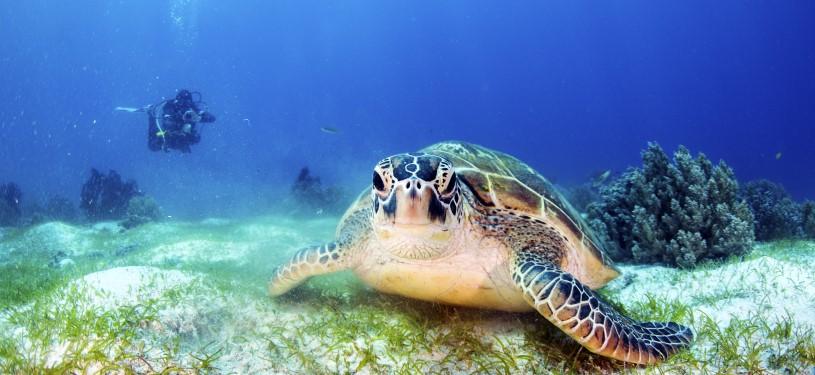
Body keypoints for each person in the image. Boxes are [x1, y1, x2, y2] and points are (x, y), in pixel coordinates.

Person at [118, 90, 216, 153]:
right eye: (182, 104)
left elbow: (212, 118)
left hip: (185, 138)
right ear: (177, 102)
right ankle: (150, 114)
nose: (184, 107)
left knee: (196, 139)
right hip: (168, 136)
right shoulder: (170, 107)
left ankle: (179, 142)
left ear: (190, 104)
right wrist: (171, 119)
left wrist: (198, 118)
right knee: (153, 146)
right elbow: (165, 119)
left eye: (187, 104)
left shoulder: (193, 110)